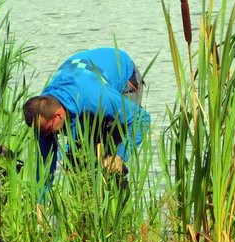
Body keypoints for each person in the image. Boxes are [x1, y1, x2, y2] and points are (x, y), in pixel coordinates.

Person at [22, 47, 150, 187]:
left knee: (111, 156)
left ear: (59, 114)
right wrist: (40, 202)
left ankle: (118, 199)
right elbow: (45, 164)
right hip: (84, 77)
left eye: (47, 131)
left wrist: (120, 155)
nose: (45, 136)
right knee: (76, 160)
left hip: (123, 76)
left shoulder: (96, 97)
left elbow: (141, 119)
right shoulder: (43, 112)